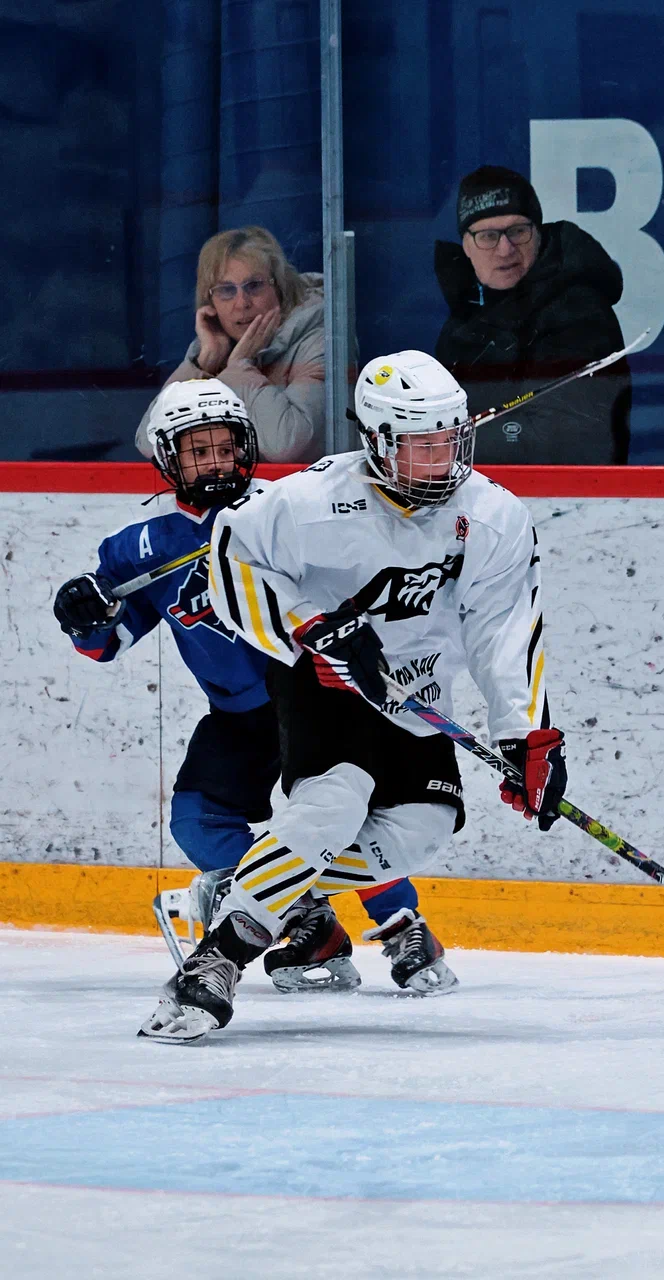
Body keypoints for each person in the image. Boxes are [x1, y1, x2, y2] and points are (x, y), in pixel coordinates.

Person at [137, 350, 568, 1043]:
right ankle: (216, 962)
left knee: (423, 830)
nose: (440, 460)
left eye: (448, 440)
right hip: (325, 682)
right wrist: (310, 626)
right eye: (419, 444)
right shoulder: (309, 501)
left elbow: (505, 629)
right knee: (330, 807)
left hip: (416, 694)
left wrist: (527, 737)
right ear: (376, 439)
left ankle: (247, 883)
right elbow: (230, 559)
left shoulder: (492, 516)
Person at [54, 378, 441, 995]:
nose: (215, 462)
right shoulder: (137, 547)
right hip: (238, 714)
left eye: (225, 447)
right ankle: (307, 920)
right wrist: (84, 616)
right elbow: (106, 644)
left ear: (246, 447)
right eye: (197, 451)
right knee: (197, 821)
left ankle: (404, 927)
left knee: (335, 821)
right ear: (168, 459)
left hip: (316, 700)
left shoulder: (287, 507)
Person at [434, 165, 631, 465]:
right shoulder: (466, 317)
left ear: (538, 233)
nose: (505, 249)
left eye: (518, 231)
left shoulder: (578, 313)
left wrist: (439, 446)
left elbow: (565, 441)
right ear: (467, 246)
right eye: (488, 236)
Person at [135, 226, 325, 464]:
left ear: (279, 288)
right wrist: (203, 363)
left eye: (254, 286)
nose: (242, 303)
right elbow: (151, 444)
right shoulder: (215, 344)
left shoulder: (318, 340)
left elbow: (286, 445)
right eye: (226, 290)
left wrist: (240, 367)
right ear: (210, 301)